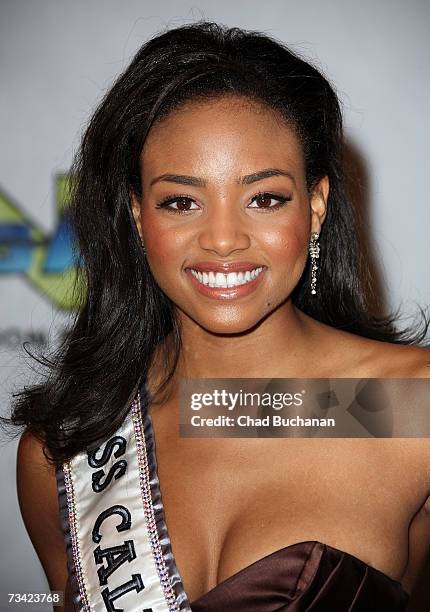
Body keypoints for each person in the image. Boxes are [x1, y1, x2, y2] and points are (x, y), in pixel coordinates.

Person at [8, 20, 430, 611]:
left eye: (265, 198)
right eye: (181, 201)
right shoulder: (65, 450)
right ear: (136, 215)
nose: (223, 239)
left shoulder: (409, 406)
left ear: (316, 206)